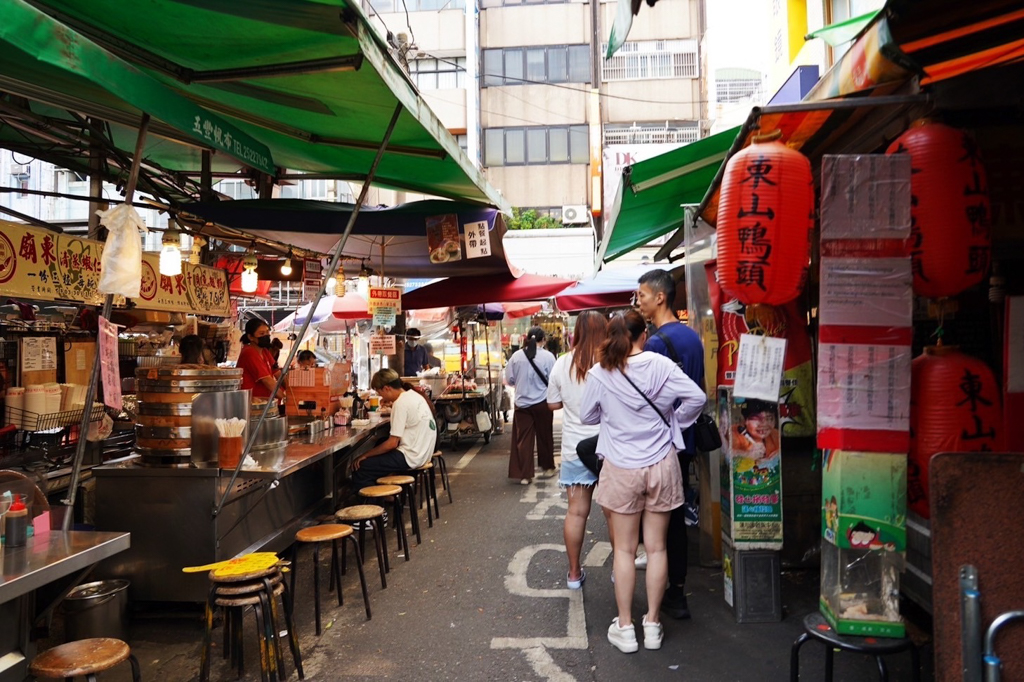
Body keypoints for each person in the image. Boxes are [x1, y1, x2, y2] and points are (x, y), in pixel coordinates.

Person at [580, 310, 705, 653]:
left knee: (623, 549)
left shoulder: (600, 372)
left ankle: (625, 627)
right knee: (657, 548)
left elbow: (588, 416)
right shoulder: (662, 366)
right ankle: (652, 623)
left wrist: (614, 414)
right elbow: (697, 398)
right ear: (643, 334)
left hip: (621, 466)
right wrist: (675, 420)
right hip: (662, 463)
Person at [635, 268, 706, 620]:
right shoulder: (693, 338)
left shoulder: (655, 344)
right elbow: (696, 392)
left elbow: (652, 399)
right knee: (677, 517)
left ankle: (665, 595)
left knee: (662, 523)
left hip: (662, 446)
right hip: (687, 441)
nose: (639, 302)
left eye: (642, 295)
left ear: (660, 297)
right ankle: (678, 590)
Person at [547, 311, 607, 590]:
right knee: (615, 514)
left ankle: (573, 573)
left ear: (577, 332)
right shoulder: (611, 362)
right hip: (610, 448)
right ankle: (621, 570)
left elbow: (552, 405)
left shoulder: (562, 364)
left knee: (576, 512)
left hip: (575, 448)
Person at [351, 369, 437, 489]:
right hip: (425, 453)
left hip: (412, 457)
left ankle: (375, 503)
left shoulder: (400, 403)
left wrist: (365, 455)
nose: (381, 397)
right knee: (380, 443)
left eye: (380, 393)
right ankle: (390, 495)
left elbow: (392, 444)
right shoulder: (413, 395)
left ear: (387, 388)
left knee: (362, 466)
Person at [506, 326, 556, 485]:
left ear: (526, 338)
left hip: (522, 404)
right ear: (543, 340)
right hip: (543, 403)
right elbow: (554, 380)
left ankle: (525, 475)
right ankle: (547, 467)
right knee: (545, 435)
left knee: (524, 440)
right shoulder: (549, 357)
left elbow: (510, 379)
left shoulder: (515, 356)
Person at [237, 319, 285, 399]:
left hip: (264, 401)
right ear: (250, 337)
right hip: (251, 402)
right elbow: (267, 381)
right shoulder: (249, 352)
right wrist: (285, 399)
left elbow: (278, 373)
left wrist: (292, 391)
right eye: (262, 333)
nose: (266, 336)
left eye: (267, 332)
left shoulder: (265, 351)